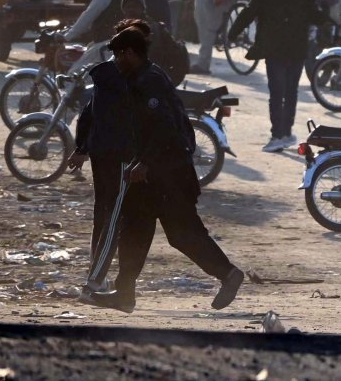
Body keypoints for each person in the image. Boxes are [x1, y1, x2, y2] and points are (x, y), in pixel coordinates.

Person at [73, 24, 245, 314]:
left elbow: (166, 130)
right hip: (148, 176)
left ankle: (228, 274)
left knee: (182, 233)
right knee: (134, 230)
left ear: (130, 53)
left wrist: (146, 162)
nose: (116, 61)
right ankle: (124, 294)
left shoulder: (149, 81)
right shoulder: (137, 79)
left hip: (170, 175)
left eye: (119, 55)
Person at [227, 0, 327, 152]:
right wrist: (326, 8)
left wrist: (232, 34)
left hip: (274, 48)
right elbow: (317, 18)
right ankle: (286, 133)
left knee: (276, 92)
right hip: (297, 48)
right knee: (291, 92)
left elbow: (248, 13)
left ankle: (277, 135)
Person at [64, 0, 124, 76]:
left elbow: (88, 16)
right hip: (106, 41)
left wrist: (67, 36)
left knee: (74, 74)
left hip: (108, 43)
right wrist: (67, 31)